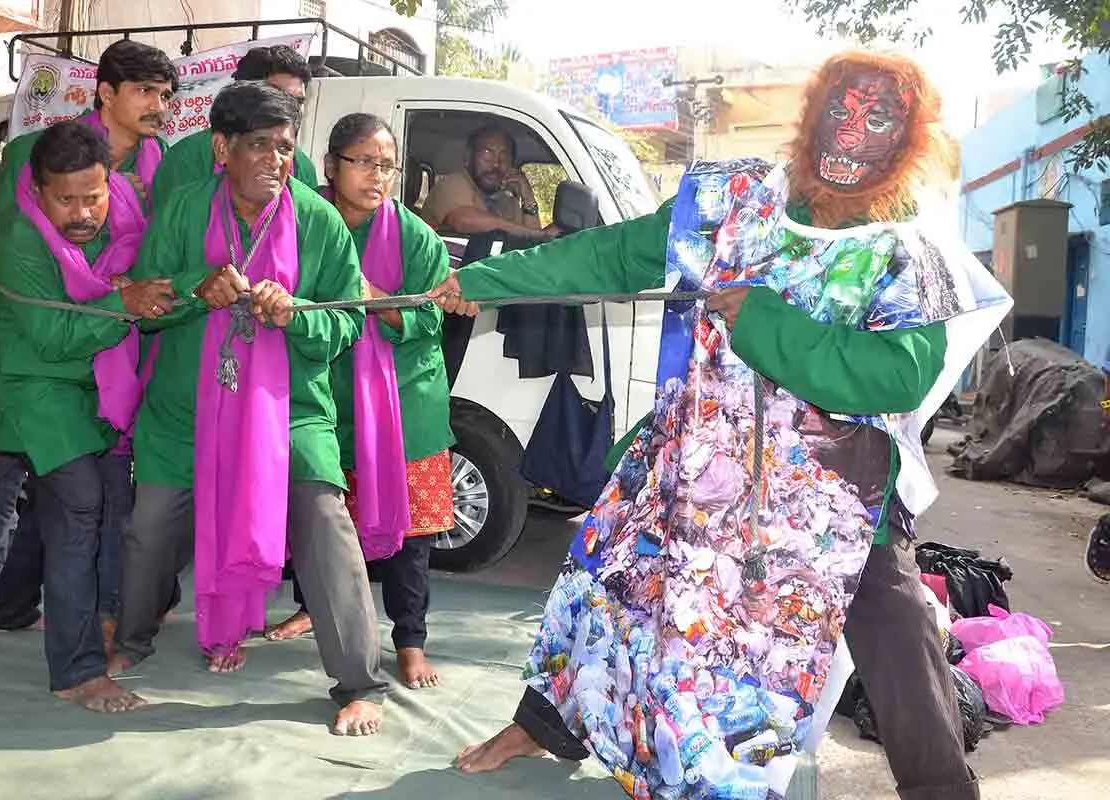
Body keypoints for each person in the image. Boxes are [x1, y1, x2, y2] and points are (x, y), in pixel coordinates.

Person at [430, 51, 1010, 800]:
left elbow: (898, 375)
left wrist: (765, 322)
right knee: (611, 579)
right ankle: (545, 725)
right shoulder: (733, 199)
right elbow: (612, 254)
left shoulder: (907, 250)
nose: (852, 133)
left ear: (909, 138)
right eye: (840, 110)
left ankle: (941, 790)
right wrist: (482, 281)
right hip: (698, 454)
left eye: (878, 119)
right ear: (811, 114)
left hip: (831, 491)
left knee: (893, 627)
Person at [108, 82, 388, 736]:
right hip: (185, 412)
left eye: (285, 148)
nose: (274, 161)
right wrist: (189, 290)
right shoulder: (181, 211)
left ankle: (360, 682)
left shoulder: (316, 220)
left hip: (289, 414)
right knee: (151, 528)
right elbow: (144, 310)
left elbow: (346, 327)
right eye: (259, 145)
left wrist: (297, 316)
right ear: (221, 147)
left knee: (324, 521)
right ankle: (134, 636)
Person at [0, 38, 178, 635]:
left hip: (115, 344)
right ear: (106, 93)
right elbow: (5, 231)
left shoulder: (157, 163)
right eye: (145, 92)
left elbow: (153, 248)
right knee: (7, 473)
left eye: (166, 95)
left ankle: (98, 607)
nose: (158, 107)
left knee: (91, 485)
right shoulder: (37, 152)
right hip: (34, 343)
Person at [0, 121, 174, 712]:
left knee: (63, 504)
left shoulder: (123, 220)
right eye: (67, 199)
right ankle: (77, 671)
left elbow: (143, 282)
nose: (84, 211)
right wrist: (123, 301)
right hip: (29, 383)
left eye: (95, 195)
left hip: (78, 386)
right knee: (81, 504)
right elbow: (54, 336)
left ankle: (9, 608)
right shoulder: (17, 239)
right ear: (36, 192)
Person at [265, 113, 454, 691]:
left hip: (405, 405)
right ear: (330, 166)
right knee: (321, 515)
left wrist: (371, 299)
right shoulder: (302, 222)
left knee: (410, 534)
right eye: (364, 162)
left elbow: (432, 314)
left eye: (388, 166)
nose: (378, 176)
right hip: (323, 394)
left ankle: (410, 640)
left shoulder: (415, 236)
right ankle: (311, 608)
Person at [150, 44, 318, 209]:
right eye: (280, 97)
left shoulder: (302, 167)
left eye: (299, 101)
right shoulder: (187, 158)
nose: (292, 109)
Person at [422, 125, 557, 240]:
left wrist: (528, 196)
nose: (496, 164)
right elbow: (463, 220)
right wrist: (539, 234)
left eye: (504, 157)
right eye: (487, 154)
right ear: (468, 157)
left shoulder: (506, 200)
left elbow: (530, 245)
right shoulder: (453, 184)